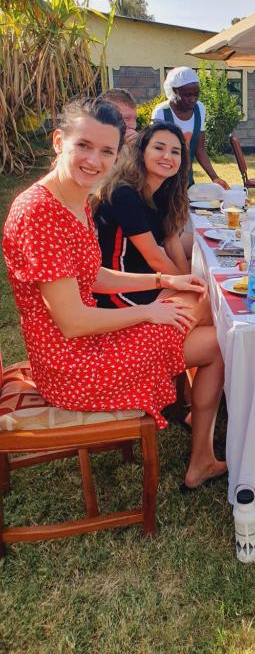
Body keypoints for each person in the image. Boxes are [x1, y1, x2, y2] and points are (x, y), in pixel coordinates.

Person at [2, 98, 226, 489]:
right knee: (216, 341)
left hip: (90, 343)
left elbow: (92, 275)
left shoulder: (74, 199)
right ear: (59, 141)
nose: (95, 160)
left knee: (212, 332)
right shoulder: (38, 212)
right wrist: (148, 312)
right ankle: (201, 455)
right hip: (72, 367)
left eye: (106, 150)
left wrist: (161, 282)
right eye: (83, 146)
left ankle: (201, 452)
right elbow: (72, 322)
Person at [92, 121, 192, 308]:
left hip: (148, 278)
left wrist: (188, 280)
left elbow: (172, 242)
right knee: (200, 305)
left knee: (201, 293)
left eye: (175, 152)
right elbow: (154, 256)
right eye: (158, 148)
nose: (167, 156)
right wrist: (186, 287)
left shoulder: (163, 192)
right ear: (142, 152)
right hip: (120, 291)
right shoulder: (124, 193)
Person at [151, 66, 229, 189]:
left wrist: (215, 177)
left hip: (187, 181)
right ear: (174, 91)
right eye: (187, 95)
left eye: (196, 94)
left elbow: (199, 149)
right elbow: (154, 152)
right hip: (162, 182)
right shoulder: (161, 112)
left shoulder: (200, 109)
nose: (193, 99)